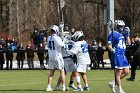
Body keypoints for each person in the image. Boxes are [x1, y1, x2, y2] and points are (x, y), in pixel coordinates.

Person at [108, 20, 131, 93]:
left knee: (127, 72)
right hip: (117, 55)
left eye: (123, 26)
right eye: (120, 26)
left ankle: (113, 82)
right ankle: (120, 89)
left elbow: (129, 43)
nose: (122, 28)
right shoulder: (113, 34)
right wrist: (112, 50)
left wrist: (127, 35)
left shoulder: (123, 34)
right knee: (119, 72)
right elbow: (109, 45)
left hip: (123, 55)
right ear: (117, 27)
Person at [46, 25, 66, 91]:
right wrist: (63, 40)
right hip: (57, 56)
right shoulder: (57, 38)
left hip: (51, 56)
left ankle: (48, 87)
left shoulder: (48, 38)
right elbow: (62, 45)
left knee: (51, 72)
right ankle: (63, 86)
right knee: (62, 71)